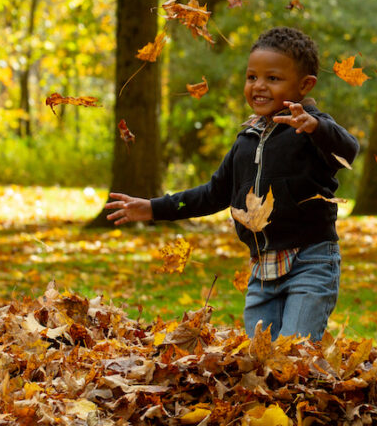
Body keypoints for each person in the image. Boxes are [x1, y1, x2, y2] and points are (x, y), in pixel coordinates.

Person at [105, 26, 359, 340]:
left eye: (273, 78)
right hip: (262, 271)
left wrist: (316, 127)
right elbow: (213, 194)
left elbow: (348, 151)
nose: (259, 86)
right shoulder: (246, 140)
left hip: (311, 261)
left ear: (304, 85)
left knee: (295, 353)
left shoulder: (312, 130)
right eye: (252, 77)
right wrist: (154, 208)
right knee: (261, 355)